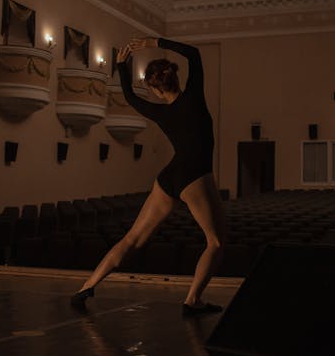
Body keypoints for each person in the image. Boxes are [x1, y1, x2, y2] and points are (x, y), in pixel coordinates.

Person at [71, 36, 227, 316]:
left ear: (155, 90)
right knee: (215, 242)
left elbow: (130, 96)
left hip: (170, 176)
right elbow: (193, 54)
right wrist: (154, 42)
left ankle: (86, 287)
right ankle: (193, 301)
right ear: (174, 80)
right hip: (195, 175)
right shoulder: (193, 96)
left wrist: (121, 64)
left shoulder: (158, 111)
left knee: (133, 238)